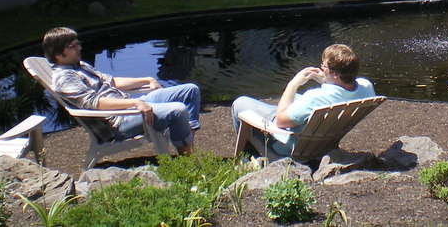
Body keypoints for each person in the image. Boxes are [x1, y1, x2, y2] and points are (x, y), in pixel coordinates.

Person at [43, 26, 200, 154]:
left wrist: (147, 79)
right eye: (73, 46)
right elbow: (93, 103)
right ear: (58, 54)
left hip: (131, 106)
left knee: (190, 91)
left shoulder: (80, 66)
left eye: (78, 43)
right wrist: (135, 103)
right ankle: (186, 157)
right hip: (120, 120)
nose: (79, 48)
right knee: (178, 110)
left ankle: (187, 143)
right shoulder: (65, 77)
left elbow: (112, 81)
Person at [230, 44, 375, 156]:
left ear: (335, 74)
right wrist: (326, 82)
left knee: (241, 103)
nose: (322, 68)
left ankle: (249, 155)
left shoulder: (315, 98)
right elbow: (340, 92)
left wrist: (293, 84)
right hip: (323, 141)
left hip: (291, 146)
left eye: (324, 66)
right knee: (297, 99)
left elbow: (280, 121)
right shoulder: (366, 87)